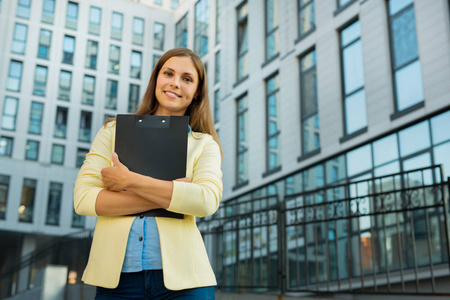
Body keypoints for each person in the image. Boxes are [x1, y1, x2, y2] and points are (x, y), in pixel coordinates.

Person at [73, 48, 223, 299]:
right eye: (168, 73)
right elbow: (84, 199)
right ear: (156, 79)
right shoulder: (112, 132)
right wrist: (173, 196)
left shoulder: (204, 144)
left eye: (187, 79)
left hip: (185, 283)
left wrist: (129, 181)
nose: (175, 83)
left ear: (196, 92)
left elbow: (206, 201)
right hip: (117, 284)